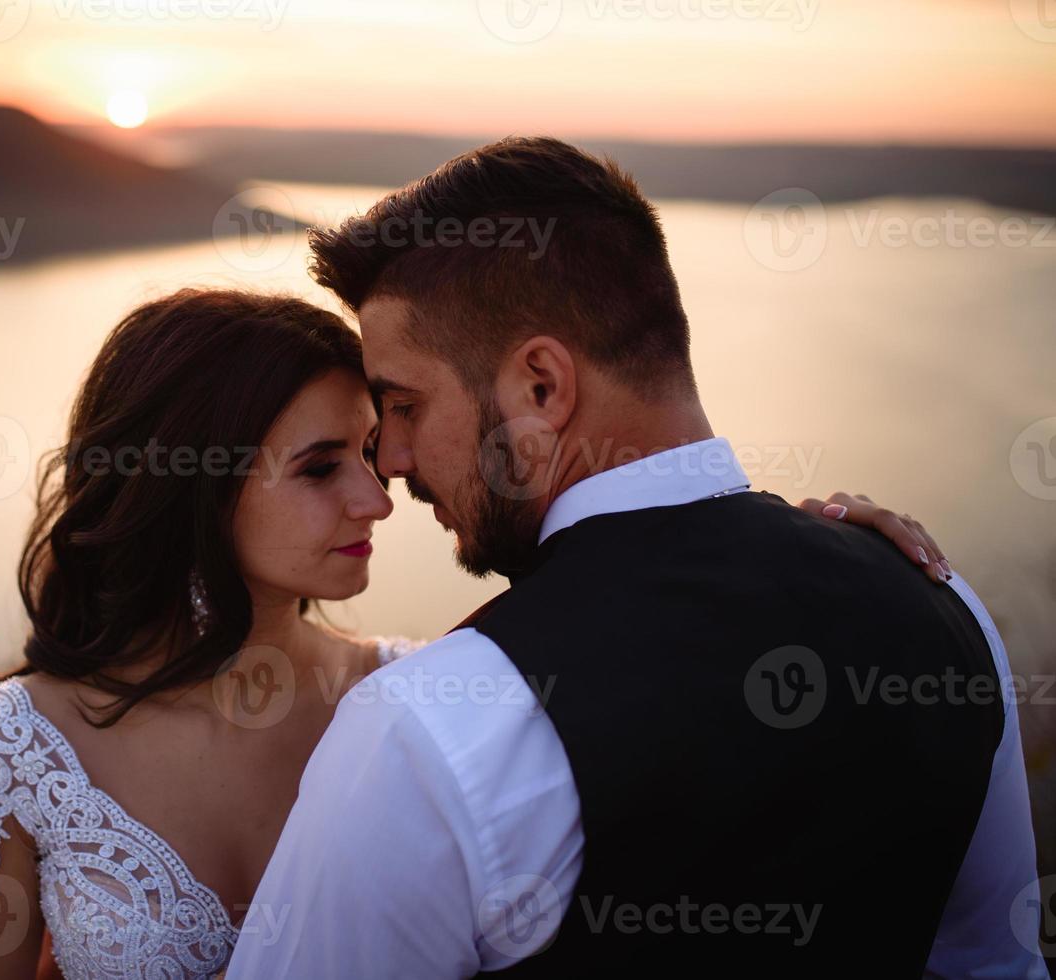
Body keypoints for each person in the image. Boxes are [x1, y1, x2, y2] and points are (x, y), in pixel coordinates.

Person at [0, 289, 958, 980]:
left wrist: (814, 552)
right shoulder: (19, 746)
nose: (380, 496)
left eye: (374, 451)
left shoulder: (427, 710)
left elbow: (682, 678)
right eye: (323, 465)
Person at [223, 138, 1046, 979]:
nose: (390, 460)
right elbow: (998, 965)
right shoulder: (947, 609)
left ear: (541, 388)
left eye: (404, 405)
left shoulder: (431, 731)